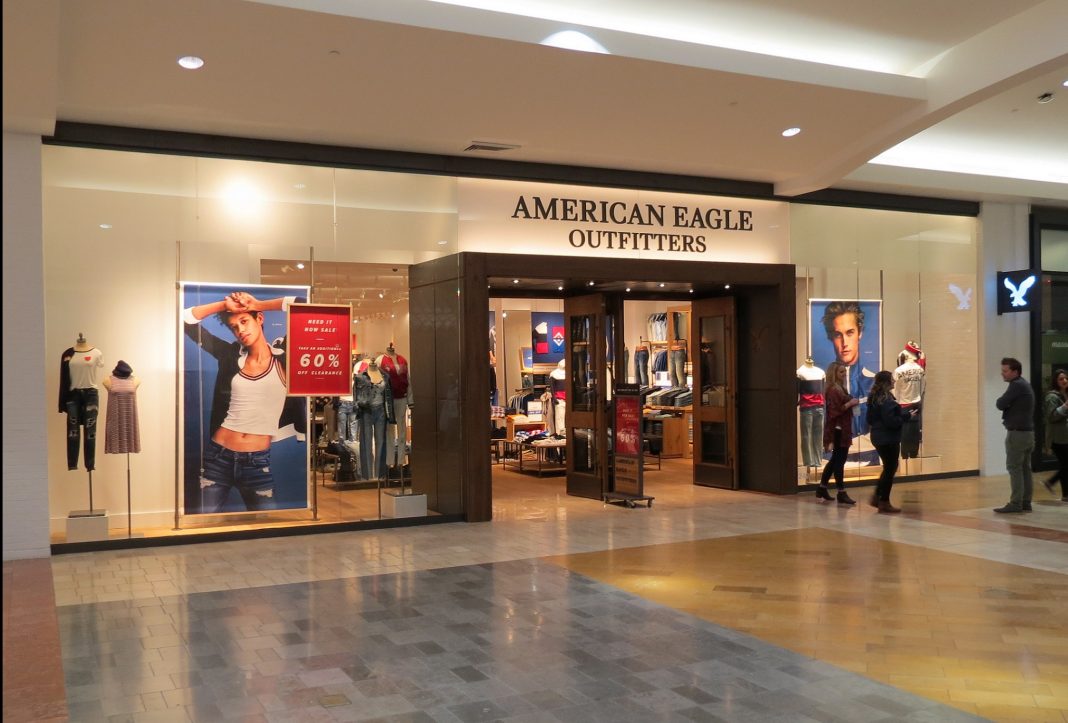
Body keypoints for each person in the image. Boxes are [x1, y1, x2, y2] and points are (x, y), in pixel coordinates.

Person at [183, 290, 305, 512]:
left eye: (244, 321)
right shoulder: (228, 354)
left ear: (259, 319)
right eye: (234, 326)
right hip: (217, 458)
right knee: (203, 526)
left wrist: (258, 303)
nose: (240, 330)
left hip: (257, 463)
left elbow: (305, 307)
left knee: (268, 529)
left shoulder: (285, 356)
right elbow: (185, 321)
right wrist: (225, 305)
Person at [820, 301, 875, 437]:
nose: (844, 343)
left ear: (860, 333)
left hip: (869, 454)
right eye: (838, 335)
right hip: (833, 450)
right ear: (830, 337)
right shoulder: (823, 383)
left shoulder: (873, 381)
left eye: (850, 333)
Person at [866, 370, 915, 513]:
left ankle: (877, 496)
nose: (894, 381)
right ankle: (884, 501)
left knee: (888, 467)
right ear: (887, 382)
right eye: (892, 380)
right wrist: (905, 418)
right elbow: (891, 421)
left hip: (877, 436)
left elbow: (870, 419)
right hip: (888, 438)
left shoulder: (873, 397)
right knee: (891, 468)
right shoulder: (887, 399)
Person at [993, 357, 1035, 513]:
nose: (1002, 374)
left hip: (1017, 434)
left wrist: (1007, 404)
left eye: (1005, 371)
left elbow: (1000, 403)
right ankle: (1026, 502)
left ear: (1015, 371)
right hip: (1028, 434)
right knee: (1025, 468)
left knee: (1014, 467)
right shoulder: (1024, 384)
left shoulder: (1016, 385)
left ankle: (1016, 503)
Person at [816, 361, 858, 505]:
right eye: (841, 372)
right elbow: (835, 411)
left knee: (836, 459)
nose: (844, 374)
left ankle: (822, 487)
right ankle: (841, 491)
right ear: (834, 373)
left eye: (844, 372)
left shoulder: (839, 388)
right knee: (839, 460)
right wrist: (850, 403)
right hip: (838, 429)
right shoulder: (834, 390)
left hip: (842, 427)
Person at [1041, 368, 1068, 501]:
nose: (1064, 381)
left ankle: (1061, 491)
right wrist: (1065, 406)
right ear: (1055, 381)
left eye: (1065, 378)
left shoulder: (1064, 394)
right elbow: (1051, 416)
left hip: (1065, 436)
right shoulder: (1051, 397)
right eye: (1061, 379)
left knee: (1065, 465)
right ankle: (1062, 492)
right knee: (1066, 465)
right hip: (1058, 437)